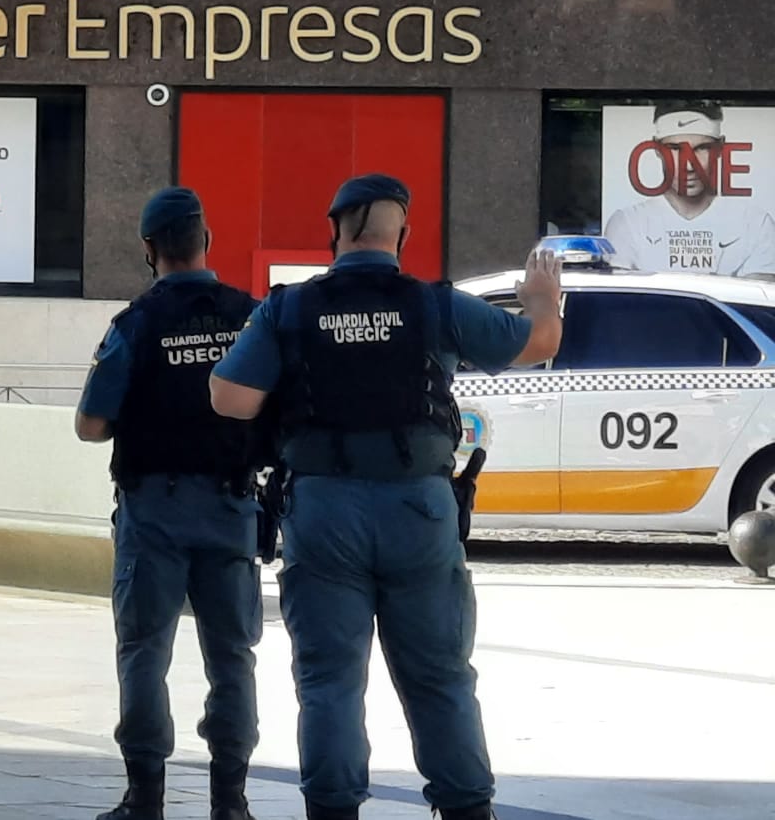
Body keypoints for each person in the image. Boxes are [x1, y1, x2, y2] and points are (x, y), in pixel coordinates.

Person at [209, 175, 564, 820]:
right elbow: (539, 343)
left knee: (330, 684)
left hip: (322, 512)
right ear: (403, 233)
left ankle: (334, 807)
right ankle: (464, 807)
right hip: (420, 511)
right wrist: (543, 298)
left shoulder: (287, 309)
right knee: (439, 678)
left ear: (334, 230)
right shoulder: (436, 305)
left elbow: (228, 397)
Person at [74, 187, 265, 820]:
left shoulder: (134, 324)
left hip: (153, 510)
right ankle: (230, 801)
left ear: (148, 250)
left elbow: (90, 425)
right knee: (232, 656)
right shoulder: (249, 317)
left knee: (143, 652)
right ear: (206, 241)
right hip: (232, 506)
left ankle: (145, 798)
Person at [602, 100, 775, 276]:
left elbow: (757, 297)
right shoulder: (627, 224)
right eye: (675, 149)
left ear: (721, 147)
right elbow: (620, 298)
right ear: (656, 149)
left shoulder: (755, 224)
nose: (690, 166)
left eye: (702, 148)